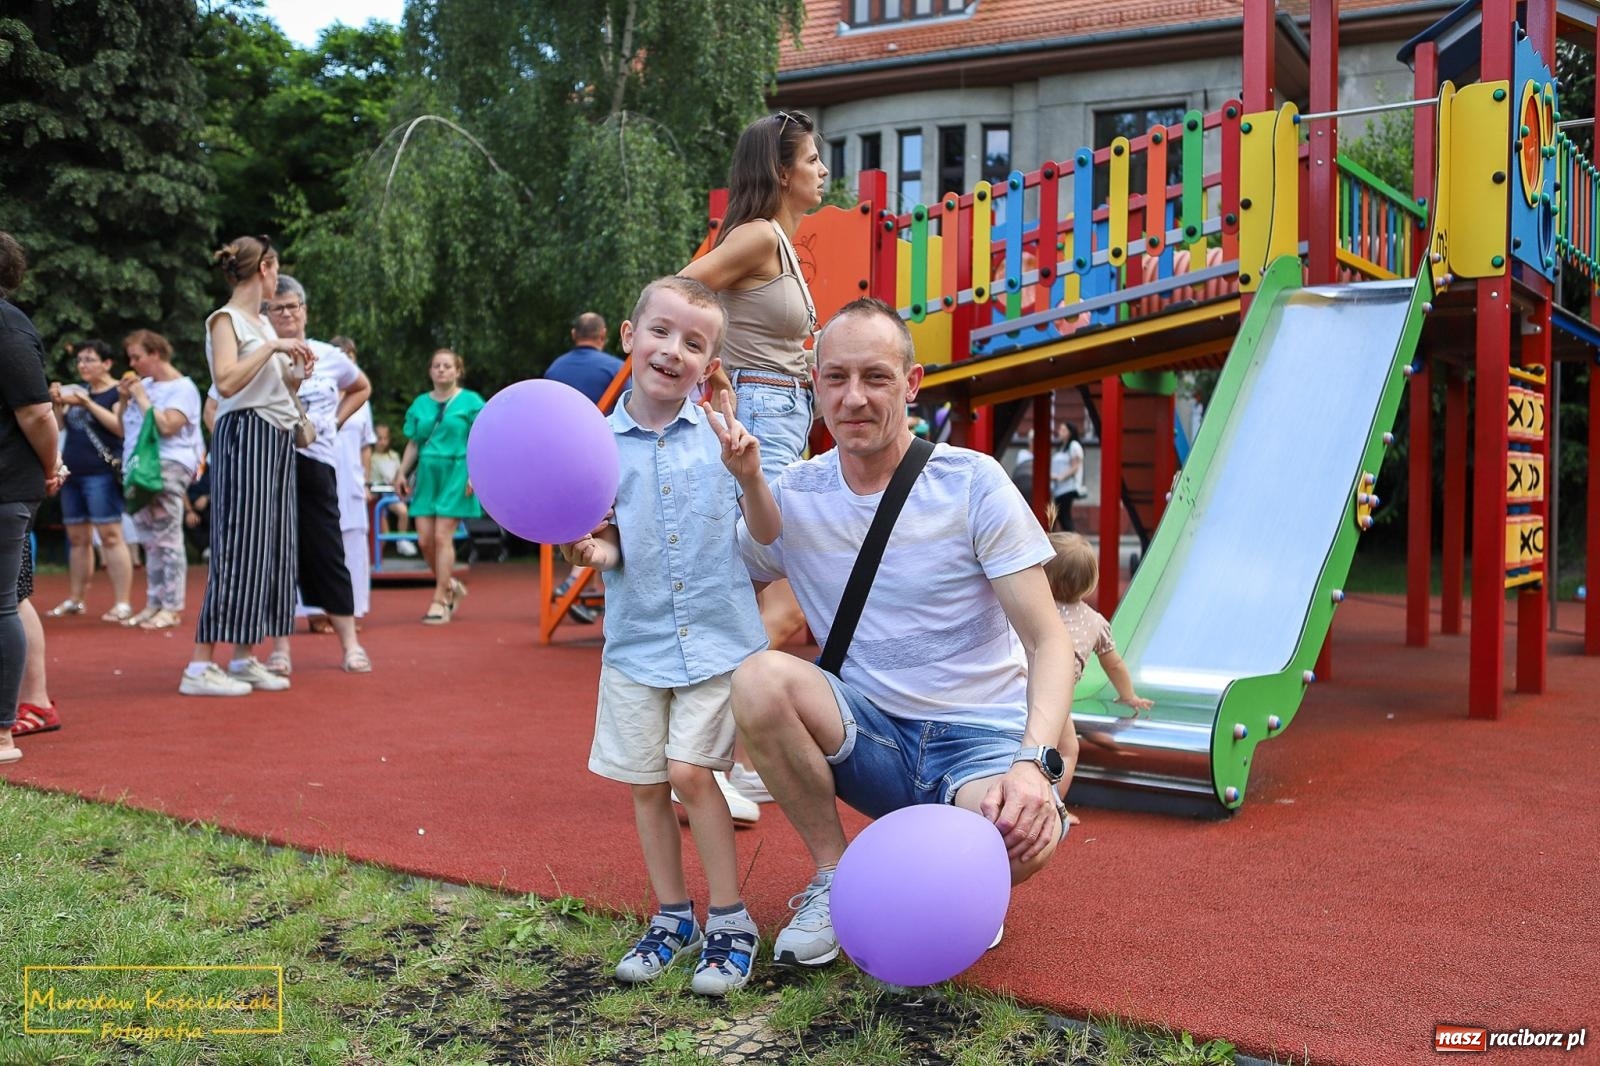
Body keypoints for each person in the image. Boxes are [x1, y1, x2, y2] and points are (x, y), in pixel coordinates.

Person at [731, 298, 1076, 967]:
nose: (853, 398)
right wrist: (605, 541)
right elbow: (709, 581)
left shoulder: (971, 484)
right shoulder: (792, 495)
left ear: (911, 384)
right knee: (757, 679)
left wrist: (1034, 767)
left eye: (876, 378)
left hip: (977, 742)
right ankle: (835, 875)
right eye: (836, 378)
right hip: (872, 735)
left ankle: (967, 880)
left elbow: (1048, 640)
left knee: (1024, 834)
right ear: (815, 381)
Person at [559, 276, 779, 995]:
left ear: (709, 364)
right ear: (629, 336)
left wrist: (749, 476)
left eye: (694, 342)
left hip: (716, 639)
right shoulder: (599, 445)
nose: (672, 350)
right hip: (636, 642)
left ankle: (733, 920)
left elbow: (769, 536)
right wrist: (592, 553)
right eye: (661, 332)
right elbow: (616, 541)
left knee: (690, 773)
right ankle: (673, 916)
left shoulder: (721, 437)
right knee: (647, 785)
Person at [679, 108, 830, 808]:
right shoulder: (759, 236)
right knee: (760, 592)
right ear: (780, 170)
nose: (824, 169)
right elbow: (681, 293)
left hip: (781, 415)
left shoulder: (782, 244)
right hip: (762, 419)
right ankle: (700, 762)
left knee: (755, 593)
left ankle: (716, 756)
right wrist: (709, 364)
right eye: (813, 158)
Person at [182, 235, 311, 698]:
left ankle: (242, 656)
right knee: (239, 545)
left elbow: (271, 389)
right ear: (266, 268)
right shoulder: (227, 319)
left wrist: (294, 373)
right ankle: (199, 666)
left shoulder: (258, 323)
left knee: (271, 549)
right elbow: (228, 382)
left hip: (275, 438)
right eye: (276, 268)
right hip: (246, 436)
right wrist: (276, 348)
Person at [256, 276, 372, 675]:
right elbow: (215, 405)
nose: (286, 314)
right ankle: (280, 649)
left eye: (293, 306)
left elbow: (361, 388)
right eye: (277, 308)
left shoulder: (329, 355)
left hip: (317, 463)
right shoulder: (257, 355)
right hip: (269, 464)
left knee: (329, 553)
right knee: (277, 556)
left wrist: (334, 424)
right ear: (266, 314)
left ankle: (351, 645)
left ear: (304, 310)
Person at [0, 230, 65, 763]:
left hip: (8, 485)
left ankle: (25, 710)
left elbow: (37, 411)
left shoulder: (9, 325)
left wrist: (51, 465)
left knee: (10, 596)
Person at [1042, 530, 1151, 819]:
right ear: (1091, 582)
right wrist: (1129, 695)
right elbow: (1114, 664)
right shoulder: (1095, 622)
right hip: (1054, 698)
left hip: (1016, 686)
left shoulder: (1037, 609)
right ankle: (1053, 811)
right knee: (1066, 750)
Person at [118, 329, 204, 630]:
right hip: (139, 467)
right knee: (148, 539)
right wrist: (124, 399)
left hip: (169, 463)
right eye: (131, 357)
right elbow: (123, 430)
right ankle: (154, 602)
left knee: (167, 536)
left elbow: (168, 426)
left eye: (137, 357)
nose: (133, 363)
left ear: (156, 354)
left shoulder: (183, 388)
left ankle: (172, 606)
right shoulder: (143, 386)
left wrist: (142, 399)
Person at [45, 339, 133, 621]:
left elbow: (119, 427)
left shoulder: (118, 391)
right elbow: (58, 427)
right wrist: (58, 402)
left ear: (107, 364)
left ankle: (123, 602)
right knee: (77, 538)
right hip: (74, 473)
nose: (82, 365)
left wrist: (87, 402)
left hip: (102, 473)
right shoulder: (78, 391)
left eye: (89, 360)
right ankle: (76, 598)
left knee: (110, 535)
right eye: (80, 360)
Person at [394, 348, 484, 624]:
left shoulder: (471, 401)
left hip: (458, 469)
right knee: (424, 539)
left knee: (442, 536)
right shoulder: (420, 403)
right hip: (427, 473)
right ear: (430, 371)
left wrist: (476, 474)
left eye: (447, 366)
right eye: (436, 366)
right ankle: (450, 585)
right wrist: (401, 472)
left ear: (458, 371)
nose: (441, 370)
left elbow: (482, 438)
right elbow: (414, 442)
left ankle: (439, 599)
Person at [329, 336, 377, 626]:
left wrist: (367, 482)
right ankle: (319, 611)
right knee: (322, 541)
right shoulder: (316, 391)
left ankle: (351, 609)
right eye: (340, 355)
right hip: (321, 476)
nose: (346, 359)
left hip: (352, 480)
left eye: (350, 355)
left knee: (354, 545)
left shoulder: (362, 400)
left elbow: (366, 445)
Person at [545, 312, 623, 407]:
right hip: (599, 422)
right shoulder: (618, 370)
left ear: (573, 334)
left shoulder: (554, 369)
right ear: (603, 334)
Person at [368, 423, 415, 556]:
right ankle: (376, 559)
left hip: (389, 495)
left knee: (403, 511)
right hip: (376, 498)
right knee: (383, 532)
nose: (382, 442)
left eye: (385, 438)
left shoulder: (393, 456)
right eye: (379, 438)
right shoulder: (370, 457)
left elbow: (397, 475)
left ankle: (402, 540)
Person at [1050, 420, 1086, 532]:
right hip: (1059, 488)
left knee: (1063, 515)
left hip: (1067, 486)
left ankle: (1072, 541)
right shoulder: (1062, 448)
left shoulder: (1074, 446)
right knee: (1060, 515)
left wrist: (1061, 476)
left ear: (1070, 432)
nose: (1060, 432)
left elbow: (1075, 466)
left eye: (1063, 430)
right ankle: (1069, 540)